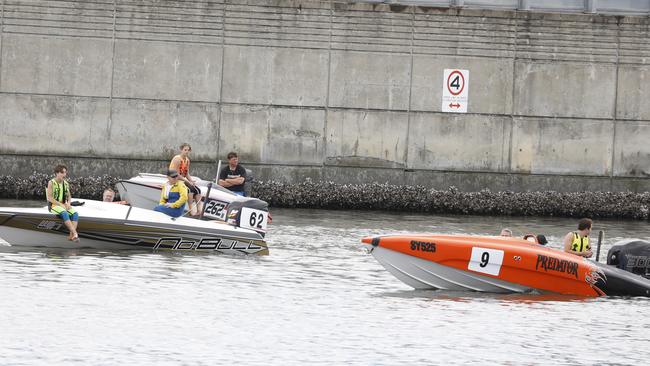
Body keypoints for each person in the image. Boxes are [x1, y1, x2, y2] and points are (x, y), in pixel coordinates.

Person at [45, 164, 79, 242]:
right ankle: (75, 233)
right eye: (62, 172)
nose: (64, 174)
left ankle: (71, 235)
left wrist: (69, 203)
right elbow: (49, 198)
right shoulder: (51, 183)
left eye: (65, 173)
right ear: (57, 173)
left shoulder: (66, 184)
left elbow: (69, 196)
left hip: (63, 205)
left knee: (75, 214)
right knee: (64, 213)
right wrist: (60, 204)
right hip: (53, 205)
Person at [169, 143, 202, 215]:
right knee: (189, 190)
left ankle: (199, 210)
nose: (187, 151)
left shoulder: (187, 160)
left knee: (197, 190)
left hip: (182, 180)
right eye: (185, 150)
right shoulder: (177, 159)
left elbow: (186, 173)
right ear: (181, 150)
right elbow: (177, 174)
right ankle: (191, 210)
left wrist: (191, 180)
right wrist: (187, 182)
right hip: (174, 180)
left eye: (188, 150)